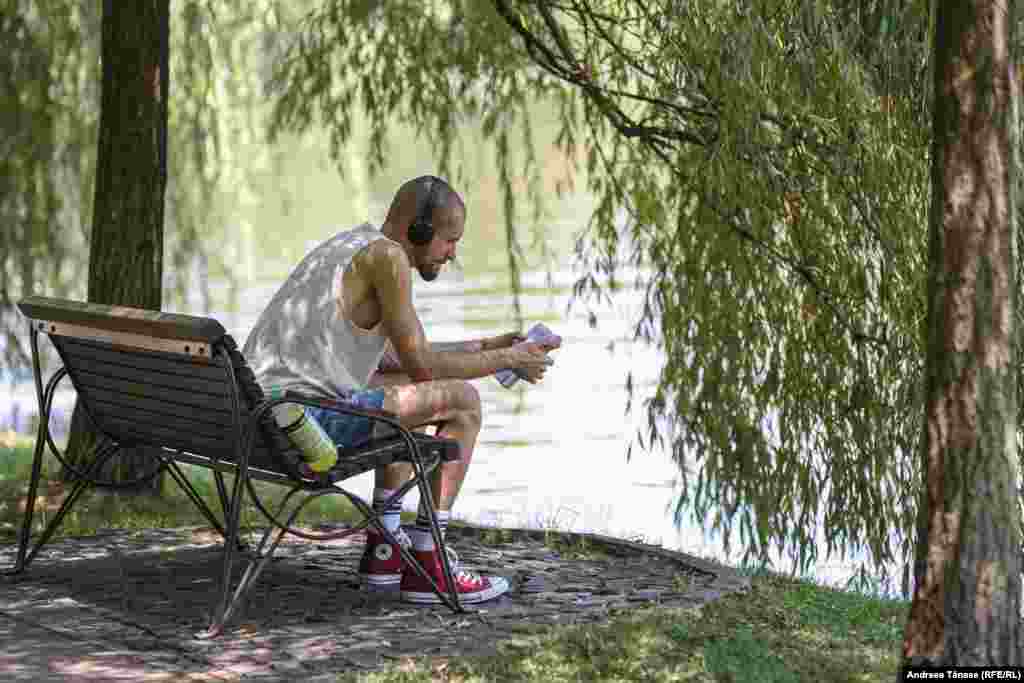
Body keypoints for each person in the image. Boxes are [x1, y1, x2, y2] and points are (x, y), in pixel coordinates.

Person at [242, 175, 558, 604]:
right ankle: (430, 561)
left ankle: (386, 551)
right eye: (449, 240)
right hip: (301, 427)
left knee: (400, 391)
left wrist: (488, 346)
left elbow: (397, 360)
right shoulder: (389, 258)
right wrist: (509, 361)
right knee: (464, 401)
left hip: (260, 417)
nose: (452, 253)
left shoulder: (352, 245)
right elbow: (425, 366)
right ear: (420, 229)